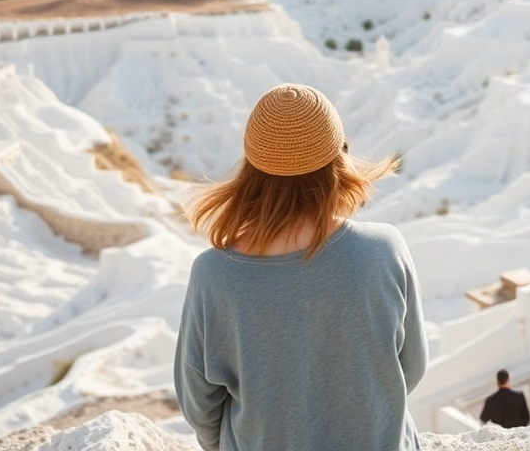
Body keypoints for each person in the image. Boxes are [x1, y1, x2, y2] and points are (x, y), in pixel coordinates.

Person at [174, 84, 427, 451]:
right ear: (340, 159)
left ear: (250, 170)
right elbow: (410, 367)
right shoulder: (385, 249)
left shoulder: (213, 275)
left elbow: (199, 403)